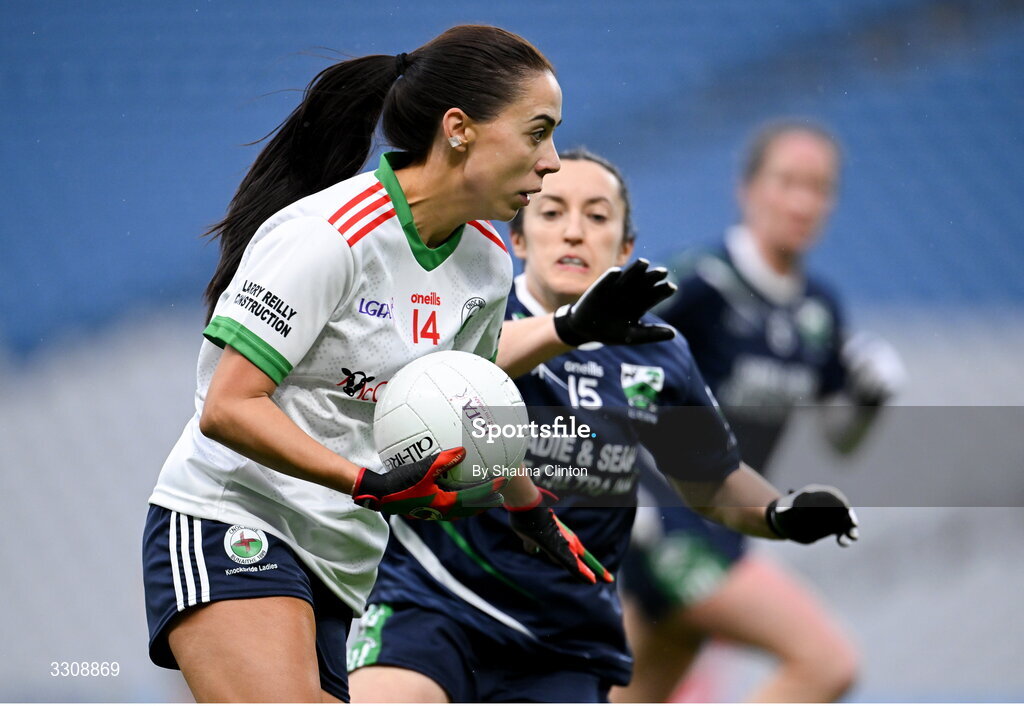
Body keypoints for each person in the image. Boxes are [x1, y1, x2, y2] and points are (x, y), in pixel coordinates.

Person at [142, 26, 675, 703]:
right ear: (459, 130)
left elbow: (471, 397)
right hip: (232, 517)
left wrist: (527, 508)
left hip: (341, 556)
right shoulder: (330, 237)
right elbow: (227, 407)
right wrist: (363, 480)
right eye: (537, 132)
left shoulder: (484, 257)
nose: (551, 161)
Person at [346, 149, 859, 703]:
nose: (574, 232)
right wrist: (566, 326)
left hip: (564, 643)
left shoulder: (656, 354)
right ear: (518, 240)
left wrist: (778, 514)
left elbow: (712, 482)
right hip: (432, 604)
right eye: (551, 213)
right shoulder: (471, 310)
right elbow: (453, 368)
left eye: (597, 216)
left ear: (625, 247)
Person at [613, 122, 905, 703]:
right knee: (827, 663)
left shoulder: (817, 310)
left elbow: (840, 439)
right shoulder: (700, 280)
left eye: (818, 187)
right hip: (667, 524)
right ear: (747, 189)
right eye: (787, 182)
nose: (802, 201)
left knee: (632, 696)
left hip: (726, 530)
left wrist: (870, 401)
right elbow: (605, 364)